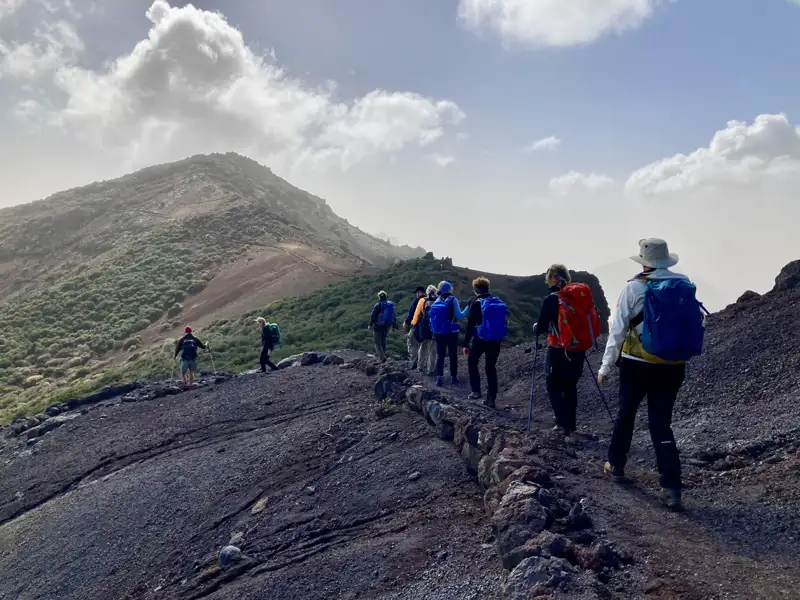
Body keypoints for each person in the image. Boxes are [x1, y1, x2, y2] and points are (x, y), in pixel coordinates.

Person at [598, 238, 706, 512]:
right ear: (667, 260)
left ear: (644, 261)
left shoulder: (634, 287)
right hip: (673, 364)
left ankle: (616, 465)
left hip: (637, 362)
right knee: (661, 424)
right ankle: (671, 487)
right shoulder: (683, 284)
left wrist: (605, 367)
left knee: (626, 414)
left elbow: (618, 330)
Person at [533, 265, 585, 435]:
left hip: (558, 348)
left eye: (549, 277)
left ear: (554, 277)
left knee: (553, 384)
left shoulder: (551, 299)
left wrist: (536, 327)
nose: (548, 281)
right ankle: (571, 425)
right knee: (570, 385)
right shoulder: (578, 297)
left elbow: (541, 327)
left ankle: (561, 424)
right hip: (578, 348)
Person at [463, 277, 508, 408]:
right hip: (496, 340)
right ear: (487, 288)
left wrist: (466, 343)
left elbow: (471, 324)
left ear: (476, 289)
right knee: (490, 368)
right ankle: (491, 398)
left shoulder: (477, 302)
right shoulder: (497, 301)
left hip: (481, 339)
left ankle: (476, 391)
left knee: (472, 361)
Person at [429, 281, 469, 387]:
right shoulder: (453, 299)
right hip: (451, 332)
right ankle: (454, 377)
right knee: (452, 355)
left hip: (438, 332)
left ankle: (439, 378)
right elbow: (460, 316)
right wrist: (467, 309)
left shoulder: (437, 300)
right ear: (450, 289)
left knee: (440, 355)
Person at [411, 284, 438, 376]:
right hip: (436, 330)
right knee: (433, 350)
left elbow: (416, 315)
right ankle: (431, 369)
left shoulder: (423, 300)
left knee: (423, 348)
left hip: (425, 329)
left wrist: (413, 324)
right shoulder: (439, 300)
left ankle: (420, 367)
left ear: (427, 292)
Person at [368, 290, 397, 362]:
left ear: (379, 297)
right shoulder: (390, 305)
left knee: (376, 342)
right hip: (387, 326)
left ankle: (382, 358)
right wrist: (393, 326)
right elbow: (394, 316)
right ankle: (383, 355)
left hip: (378, 326)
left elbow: (373, 315)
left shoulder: (378, 305)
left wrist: (370, 324)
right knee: (383, 341)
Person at [403, 286, 427, 370]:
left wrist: (406, 323)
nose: (416, 294)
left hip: (416, 326)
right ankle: (423, 364)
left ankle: (414, 363)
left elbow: (411, 314)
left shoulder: (417, 301)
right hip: (428, 328)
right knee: (424, 346)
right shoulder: (430, 300)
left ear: (419, 292)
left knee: (412, 343)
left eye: (417, 293)